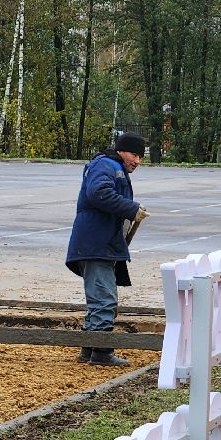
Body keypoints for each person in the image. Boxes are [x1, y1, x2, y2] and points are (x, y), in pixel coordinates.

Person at [65, 131, 147, 366]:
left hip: (100, 243)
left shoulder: (110, 166)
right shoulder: (107, 165)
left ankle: (90, 349)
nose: (137, 161)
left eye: (140, 156)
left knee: (99, 298)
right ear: (121, 151)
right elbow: (99, 193)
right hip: (96, 244)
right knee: (104, 299)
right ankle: (100, 352)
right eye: (134, 154)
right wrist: (131, 209)